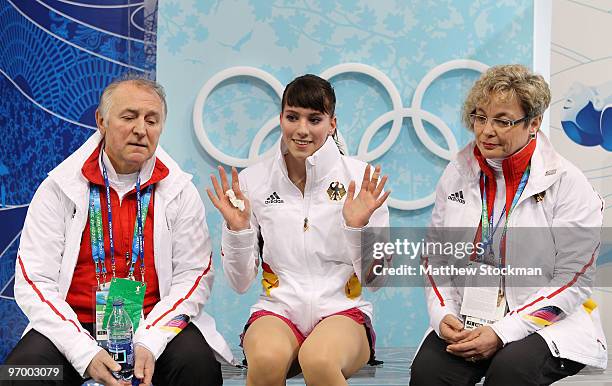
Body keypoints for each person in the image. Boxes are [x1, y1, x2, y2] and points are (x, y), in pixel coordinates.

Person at [5, 76, 232, 385]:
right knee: (22, 373)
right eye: (129, 117)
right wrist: (82, 351)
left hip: (153, 325)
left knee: (199, 366)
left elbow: (194, 277)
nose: (141, 129)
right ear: (102, 121)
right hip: (74, 327)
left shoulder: (179, 190)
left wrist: (150, 341)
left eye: (152, 120)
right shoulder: (59, 187)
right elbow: (34, 280)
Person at [410, 64, 607, 385]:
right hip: (470, 315)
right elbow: (435, 256)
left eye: (502, 121)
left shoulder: (568, 183)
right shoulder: (457, 173)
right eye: (479, 116)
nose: (486, 130)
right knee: (429, 374)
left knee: (509, 371)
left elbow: (573, 280)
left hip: (547, 322)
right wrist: (443, 313)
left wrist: (504, 332)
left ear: (534, 123)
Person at [207, 74, 390, 386]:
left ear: (332, 124)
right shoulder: (254, 182)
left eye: (314, 119)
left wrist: (357, 228)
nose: (302, 129)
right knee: (264, 362)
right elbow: (240, 283)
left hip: (344, 313)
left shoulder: (361, 180)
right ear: (281, 118)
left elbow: (377, 280)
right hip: (279, 312)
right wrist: (237, 232)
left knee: (318, 360)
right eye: (293, 117)